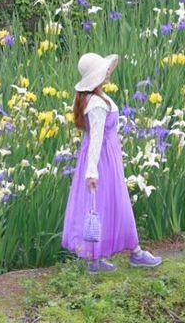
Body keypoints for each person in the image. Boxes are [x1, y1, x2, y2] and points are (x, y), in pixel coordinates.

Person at [62, 52, 162, 272]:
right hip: (102, 160)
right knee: (113, 202)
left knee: (102, 204)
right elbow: (96, 139)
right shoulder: (97, 103)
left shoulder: (90, 97)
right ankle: (134, 252)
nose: (108, 73)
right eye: (103, 71)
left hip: (104, 156)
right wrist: (92, 173)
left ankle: (97, 259)